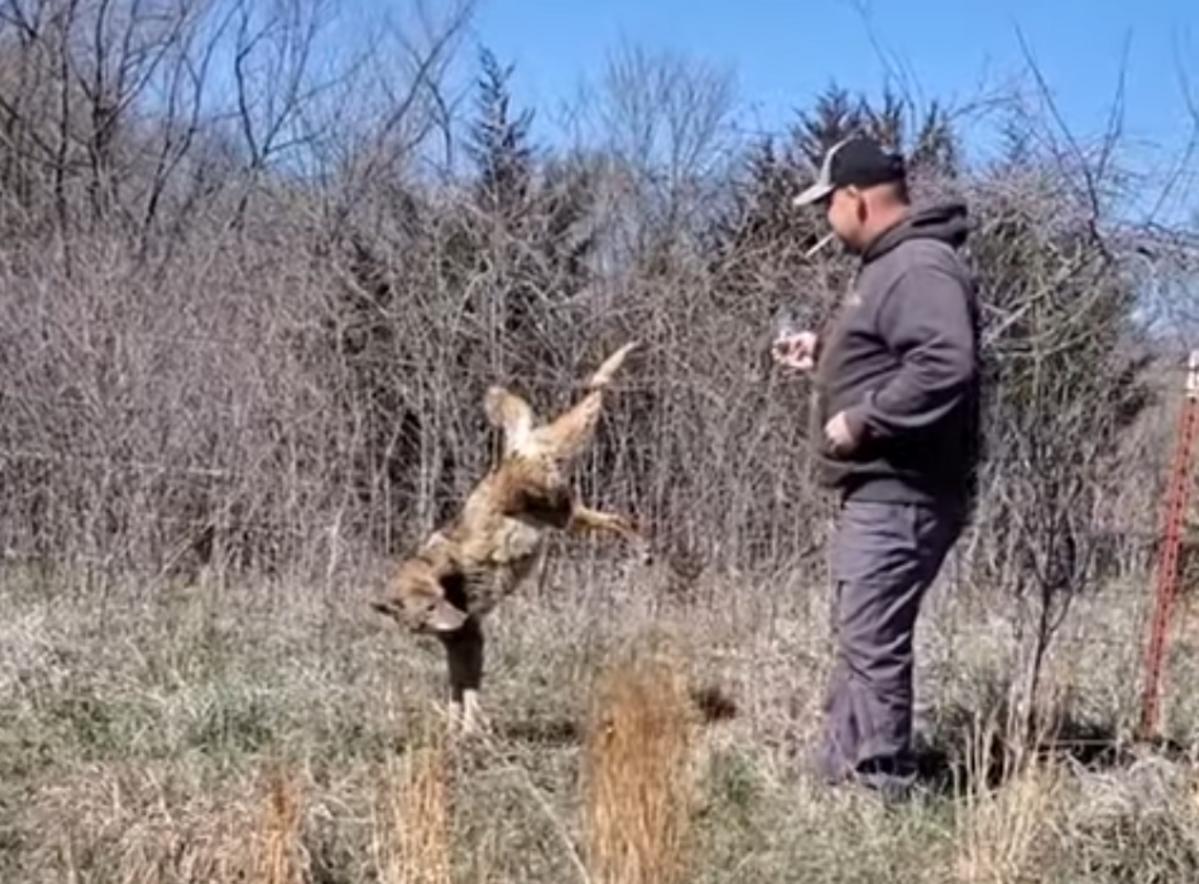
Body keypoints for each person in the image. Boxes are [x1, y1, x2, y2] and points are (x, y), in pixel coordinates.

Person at [773, 136, 980, 801]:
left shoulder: (917, 265)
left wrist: (863, 419)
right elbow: (896, 352)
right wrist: (826, 352)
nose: (826, 220)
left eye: (827, 205)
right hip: (883, 489)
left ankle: (883, 783)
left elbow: (944, 363)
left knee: (872, 636)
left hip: (903, 490)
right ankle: (839, 771)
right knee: (862, 631)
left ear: (854, 198)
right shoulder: (889, 264)